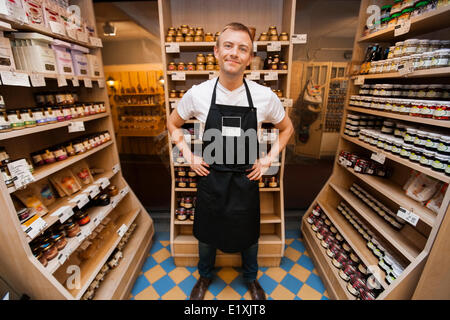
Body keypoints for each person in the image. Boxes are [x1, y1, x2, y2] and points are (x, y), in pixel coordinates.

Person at [167, 22, 294, 300]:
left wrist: (268, 160)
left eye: (242, 48)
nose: (234, 53)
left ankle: (251, 279)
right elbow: (173, 123)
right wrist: (187, 155)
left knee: (249, 234)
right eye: (228, 45)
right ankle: (204, 276)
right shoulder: (197, 94)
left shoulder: (264, 96)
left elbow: (288, 128)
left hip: (246, 179)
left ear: (250, 57)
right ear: (216, 51)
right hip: (211, 177)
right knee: (207, 234)